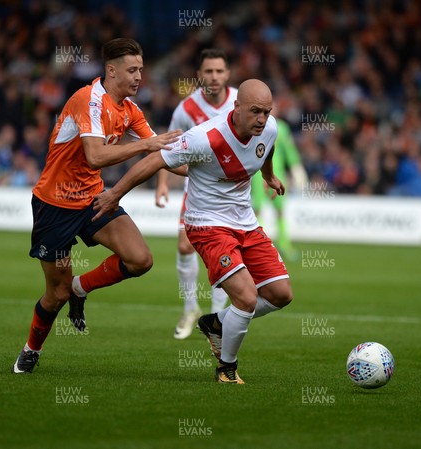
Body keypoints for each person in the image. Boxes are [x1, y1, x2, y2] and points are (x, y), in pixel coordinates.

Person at [92, 79, 293, 384]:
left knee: (281, 294)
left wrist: (270, 175)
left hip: (246, 223)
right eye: (255, 112)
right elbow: (154, 160)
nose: (262, 119)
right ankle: (226, 368)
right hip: (207, 224)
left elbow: (268, 148)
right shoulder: (204, 138)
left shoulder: (269, 128)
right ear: (236, 107)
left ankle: (215, 323)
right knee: (247, 298)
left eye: (267, 112)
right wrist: (115, 194)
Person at [12, 38, 182, 373]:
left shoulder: (130, 110)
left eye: (141, 70)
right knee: (55, 295)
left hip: (93, 200)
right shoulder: (87, 100)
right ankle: (32, 348)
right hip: (55, 205)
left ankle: (81, 287)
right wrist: (147, 145)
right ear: (111, 70)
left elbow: (163, 153)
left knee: (140, 259)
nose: (138, 77)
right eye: (132, 70)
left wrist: (218, 167)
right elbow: (95, 156)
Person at [155, 49, 237, 340]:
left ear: (227, 74)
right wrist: (162, 183)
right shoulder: (186, 108)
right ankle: (190, 308)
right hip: (198, 187)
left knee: (223, 251)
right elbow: (169, 146)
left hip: (232, 191)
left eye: (219, 71)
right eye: (208, 71)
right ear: (199, 75)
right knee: (185, 247)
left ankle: (216, 316)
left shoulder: (240, 102)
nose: (213, 77)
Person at [250, 106, 307, 261]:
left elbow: (289, 150)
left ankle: (284, 245)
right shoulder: (254, 126)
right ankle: (258, 245)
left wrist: (296, 168)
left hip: (278, 174)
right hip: (257, 174)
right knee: (258, 210)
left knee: (280, 210)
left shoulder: (281, 128)